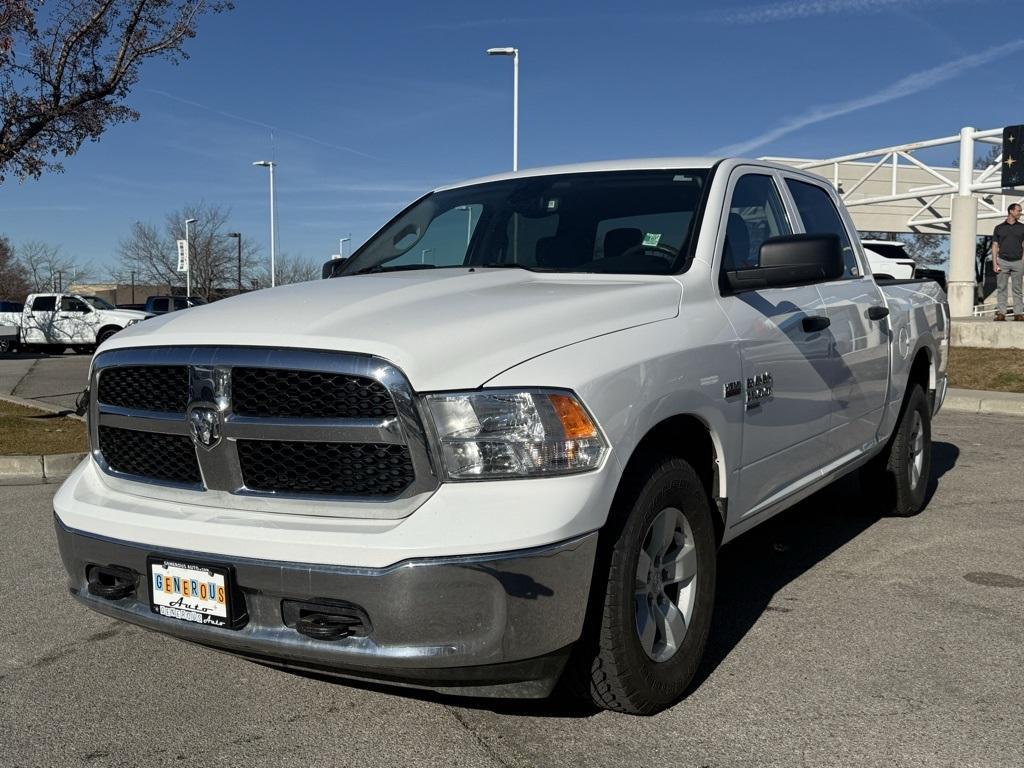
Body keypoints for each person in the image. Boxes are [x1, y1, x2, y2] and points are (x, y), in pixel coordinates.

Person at [992, 203, 1024, 321]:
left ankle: (1018, 314)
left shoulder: (1022, 227)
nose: (1020, 213)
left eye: (1020, 211)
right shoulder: (999, 228)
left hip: (1018, 262)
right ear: (1011, 211)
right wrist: (995, 263)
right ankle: (1001, 313)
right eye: (1018, 210)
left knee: (1017, 289)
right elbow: (995, 245)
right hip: (1002, 261)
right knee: (1001, 288)